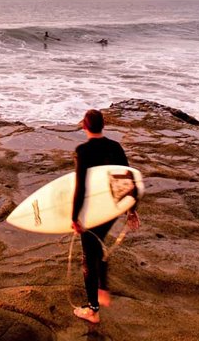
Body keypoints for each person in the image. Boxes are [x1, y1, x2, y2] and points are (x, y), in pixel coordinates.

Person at [71, 109, 140, 324]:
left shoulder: (83, 150)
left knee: (88, 259)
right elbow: (128, 178)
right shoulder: (115, 147)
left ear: (84, 126)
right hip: (110, 210)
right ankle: (103, 288)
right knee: (98, 246)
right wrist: (131, 209)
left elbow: (80, 187)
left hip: (92, 211)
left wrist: (75, 217)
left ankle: (93, 310)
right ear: (104, 125)